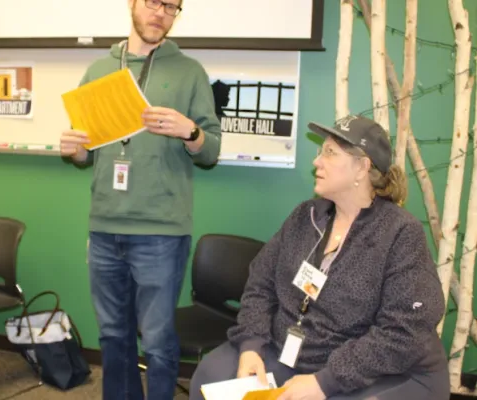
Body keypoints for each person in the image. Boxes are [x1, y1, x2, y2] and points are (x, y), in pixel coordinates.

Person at [189, 115, 449, 400]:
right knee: (210, 378)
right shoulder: (306, 216)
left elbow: (403, 330)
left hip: (370, 369)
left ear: (362, 167)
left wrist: (325, 381)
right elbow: (260, 284)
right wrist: (251, 344)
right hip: (292, 350)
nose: (317, 162)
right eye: (320, 151)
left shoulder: (400, 233)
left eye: (329, 152)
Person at [59, 0, 221, 398]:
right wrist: (74, 149)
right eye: (154, 2)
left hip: (161, 232)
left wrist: (190, 132)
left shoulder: (190, 72)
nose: (161, 13)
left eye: (172, 6)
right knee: (113, 336)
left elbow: (211, 150)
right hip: (104, 228)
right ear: (132, 3)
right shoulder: (98, 71)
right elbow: (87, 155)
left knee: (158, 342)